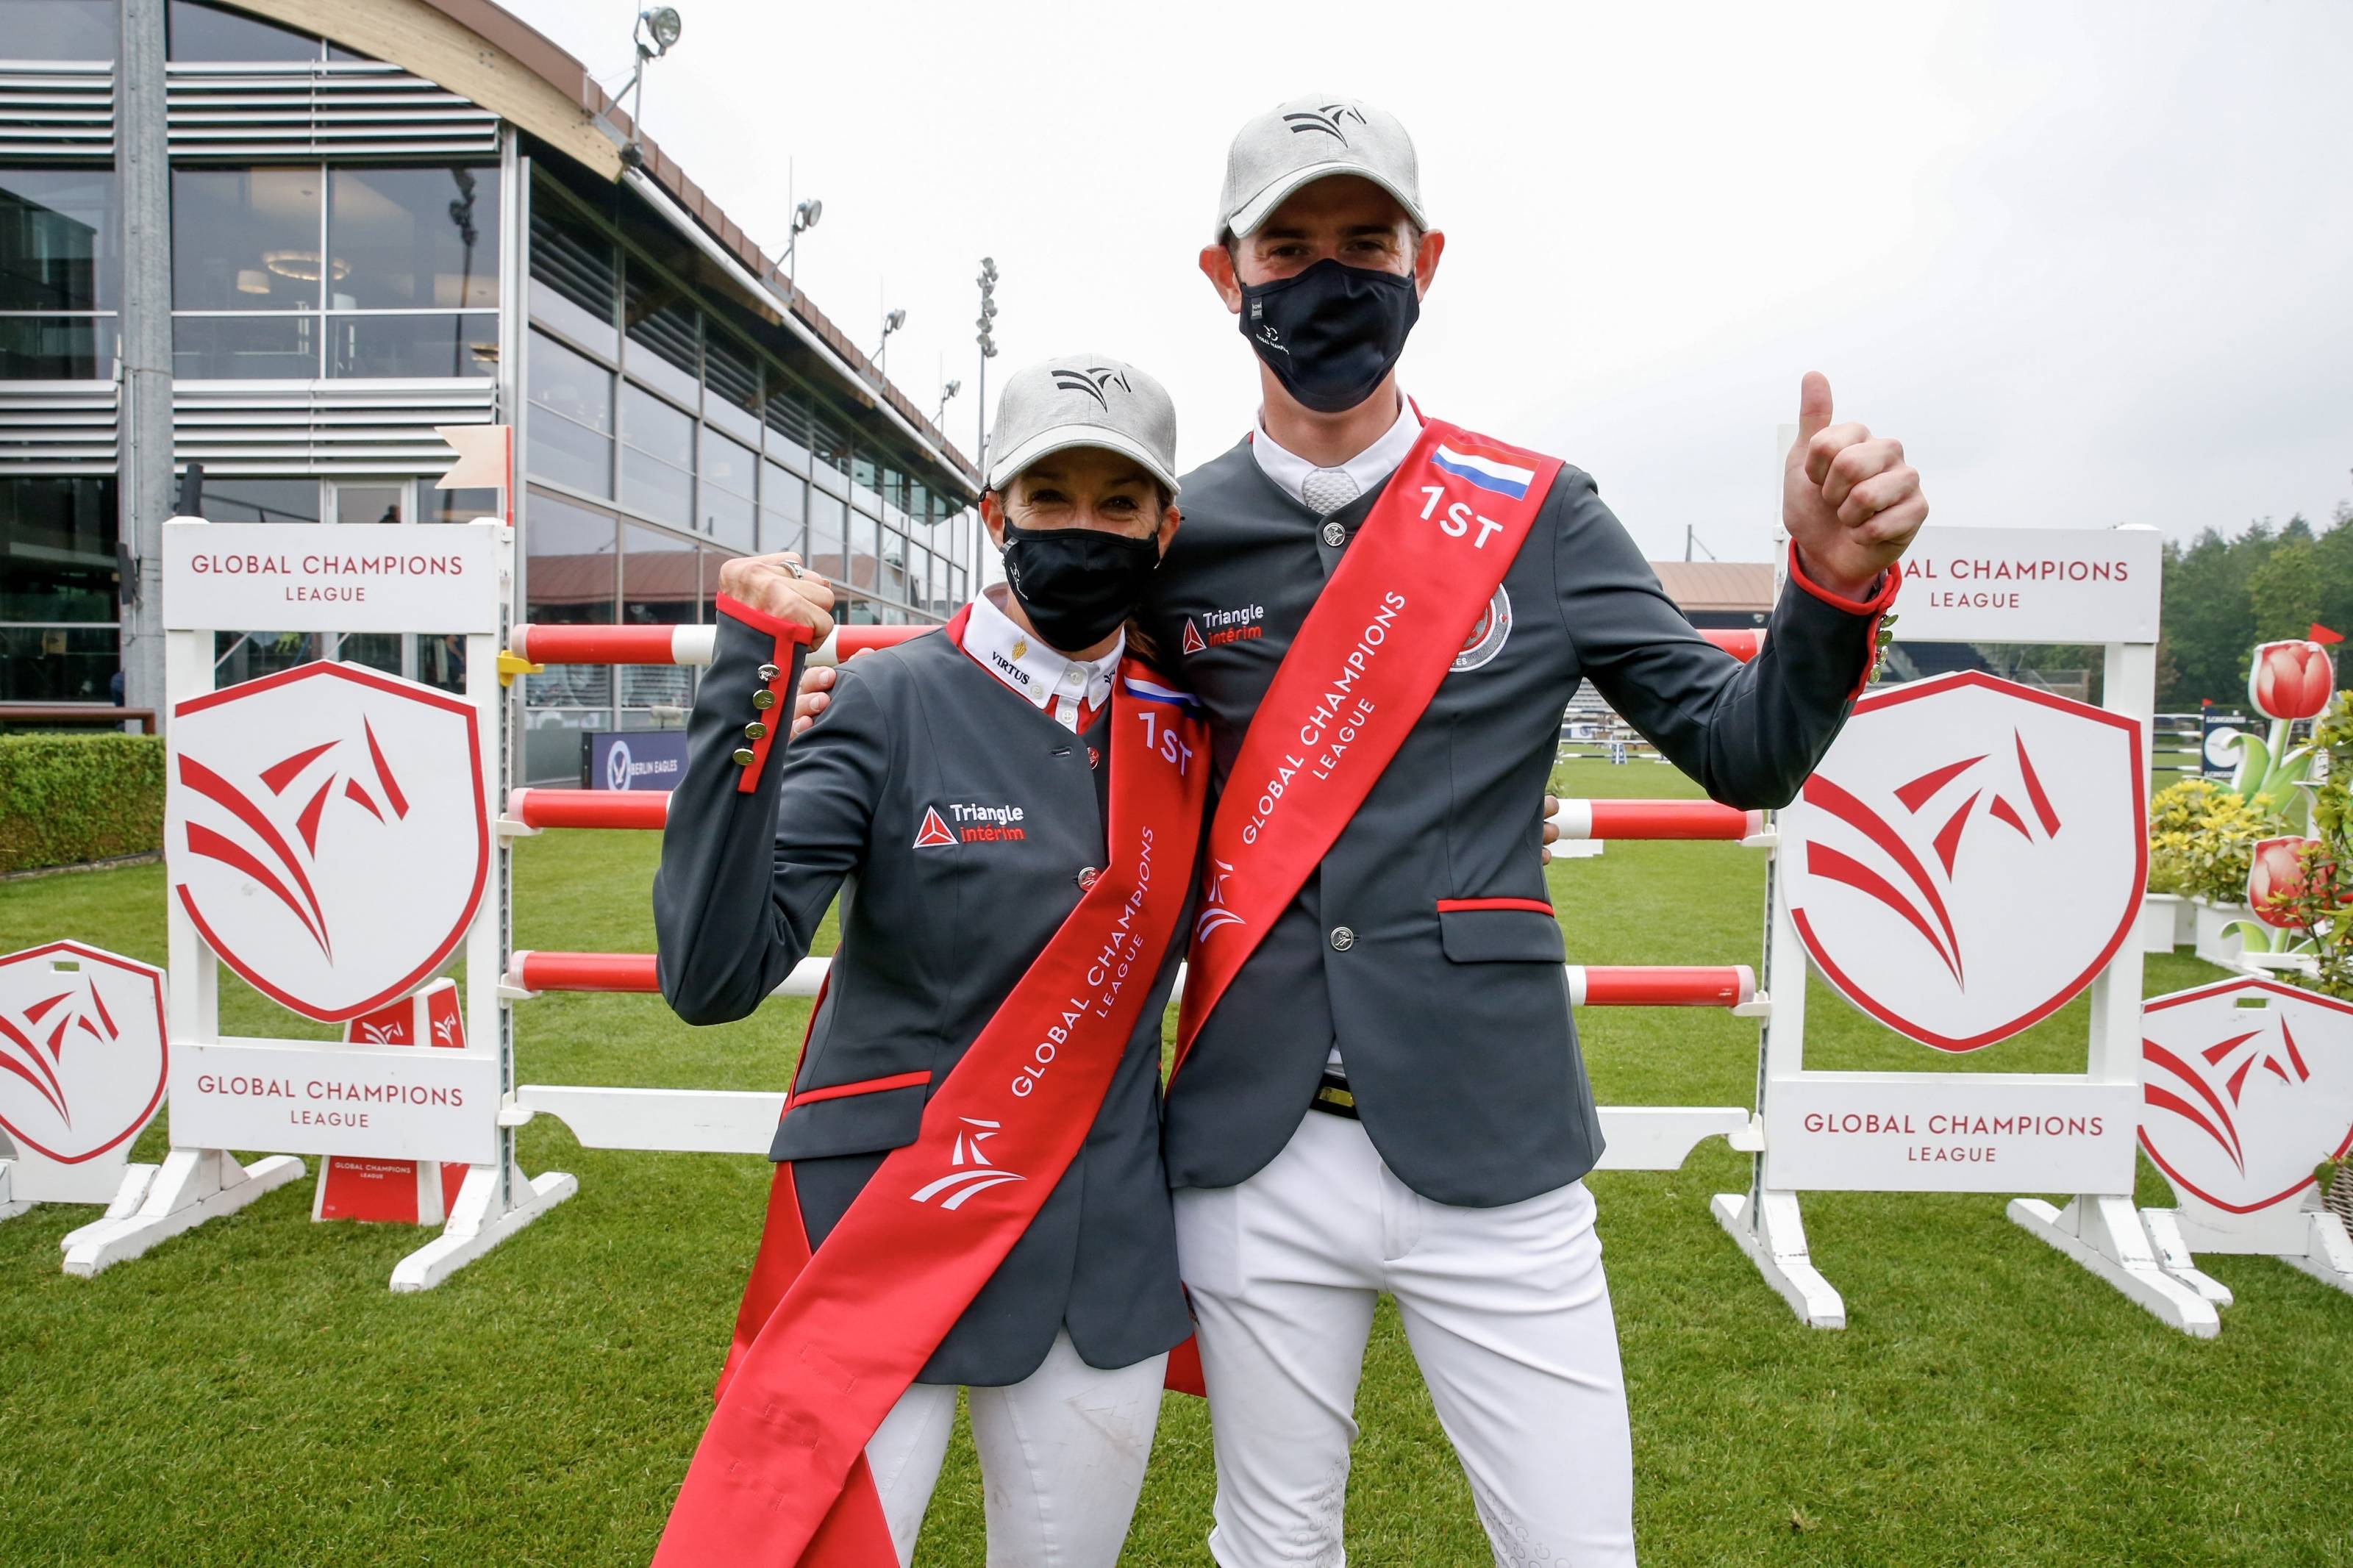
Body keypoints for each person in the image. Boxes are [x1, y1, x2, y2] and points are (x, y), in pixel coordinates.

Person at [804, 95, 1927, 1567]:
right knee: (1273, 1546)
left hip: (1498, 1137)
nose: (1328, 276)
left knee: (1577, 1547)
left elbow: (1746, 750)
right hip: (1249, 1147)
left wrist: (1829, 582)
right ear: (1226, 276)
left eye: (1363, 240)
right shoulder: (1164, 529)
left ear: (1425, 258)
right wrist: (849, 680)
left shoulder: (1540, 514)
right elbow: (1022, 680)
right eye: (1289, 245)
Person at [649, 356, 1208, 1568]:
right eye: (1048, 495)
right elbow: (711, 976)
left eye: (1119, 503)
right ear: (992, 511)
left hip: (1093, 1246)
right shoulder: (882, 699)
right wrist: (742, 694)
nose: (1083, 526)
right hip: (874, 1237)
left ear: (1165, 528)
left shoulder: (1194, 726)